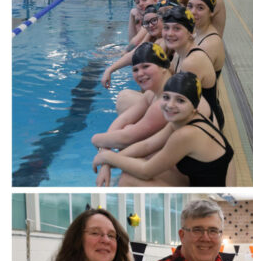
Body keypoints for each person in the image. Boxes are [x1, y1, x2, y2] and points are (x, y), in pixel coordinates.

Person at [94, 72, 233, 187]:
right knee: (143, 157)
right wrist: (107, 163)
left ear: (194, 106)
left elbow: (146, 172)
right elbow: (147, 146)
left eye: (180, 100)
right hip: (201, 180)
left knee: (128, 180)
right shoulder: (184, 120)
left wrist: (108, 156)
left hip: (211, 196)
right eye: (166, 97)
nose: (170, 105)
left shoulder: (187, 134)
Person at [161, 5, 224, 127]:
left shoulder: (192, 61)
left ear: (190, 33)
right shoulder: (179, 52)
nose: (169, 33)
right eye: (166, 28)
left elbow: (179, 106)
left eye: (177, 28)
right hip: (193, 114)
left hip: (207, 123)